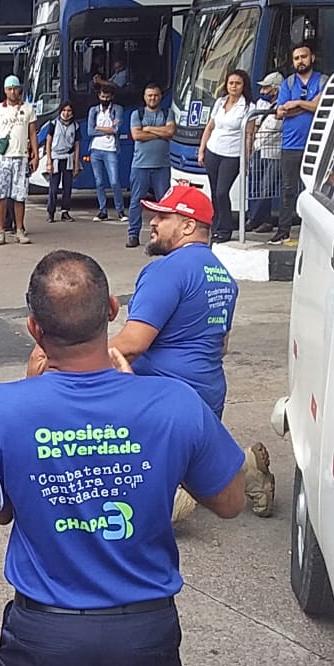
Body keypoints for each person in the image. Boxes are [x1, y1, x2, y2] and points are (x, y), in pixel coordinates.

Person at [0, 250, 247, 666]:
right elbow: (231, 502)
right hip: (145, 630)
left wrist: (32, 395)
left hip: (43, 630)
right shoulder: (176, 403)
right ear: (113, 309)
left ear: (35, 328)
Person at [107, 184, 275, 516]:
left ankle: (176, 492)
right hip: (207, 395)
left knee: (132, 505)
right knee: (194, 465)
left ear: (187, 226)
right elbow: (222, 345)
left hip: (163, 400)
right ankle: (246, 470)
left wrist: (75, 360)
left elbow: (132, 344)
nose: (152, 222)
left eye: (163, 216)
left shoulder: (165, 270)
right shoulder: (222, 276)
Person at [274, 43, 327, 244]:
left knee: (314, 190)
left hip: (316, 143)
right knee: (288, 189)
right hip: (290, 145)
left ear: (312, 57)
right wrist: (308, 105)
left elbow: (320, 106)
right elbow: (279, 113)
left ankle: (314, 233)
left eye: (303, 57)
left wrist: (296, 104)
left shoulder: (323, 80)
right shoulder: (287, 84)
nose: (300, 61)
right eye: (296, 58)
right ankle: (283, 230)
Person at [197, 70, 252, 243]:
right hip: (213, 150)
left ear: (243, 86)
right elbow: (210, 126)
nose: (233, 86)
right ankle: (217, 225)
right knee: (214, 191)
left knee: (222, 191)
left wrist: (246, 159)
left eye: (237, 83)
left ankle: (226, 228)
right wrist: (202, 149)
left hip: (232, 154)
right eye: (231, 83)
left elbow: (250, 135)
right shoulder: (220, 102)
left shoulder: (249, 107)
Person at [0, 75, 37, 246]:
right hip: (3, 158)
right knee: (1, 195)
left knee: (20, 196)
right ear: (5, 90)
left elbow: (32, 133)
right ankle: (1, 231)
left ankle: (20, 229)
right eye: (9, 89)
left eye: (15, 88)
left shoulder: (28, 109)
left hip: (21, 156)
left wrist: (35, 154)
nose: (12, 92)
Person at [127, 83, 176, 249]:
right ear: (144, 97)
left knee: (164, 203)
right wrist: (159, 132)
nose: (152, 98)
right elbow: (136, 135)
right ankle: (133, 234)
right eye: (149, 95)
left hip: (162, 165)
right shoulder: (137, 114)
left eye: (155, 95)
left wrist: (148, 129)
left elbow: (170, 133)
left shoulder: (168, 113)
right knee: (136, 201)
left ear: (160, 96)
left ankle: (163, 236)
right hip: (140, 165)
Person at [247, 73, 284, 233]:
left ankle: (260, 219)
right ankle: (255, 218)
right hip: (259, 147)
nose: (263, 91)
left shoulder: (283, 106)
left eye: (266, 87)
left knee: (267, 187)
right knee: (254, 185)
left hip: (274, 151)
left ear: (275, 89)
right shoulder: (261, 104)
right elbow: (254, 126)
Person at [88, 85, 126, 222]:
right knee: (99, 182)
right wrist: (107, 129)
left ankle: (120, 211)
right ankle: (102, 210)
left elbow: (116, 129)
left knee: (115, 181)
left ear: (112, 97)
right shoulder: (93, 110)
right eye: (103, 96)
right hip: (95, 150)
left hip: (111, 149)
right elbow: (90, 131)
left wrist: (99, 127)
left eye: (107, 97)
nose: (105, 99)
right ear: (99, 96)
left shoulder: (118, 109)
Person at [42, 101, 80, 224]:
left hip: (68, 157)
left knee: (67, 187)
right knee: (53, 187)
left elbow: (77, 144)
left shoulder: (75, 125)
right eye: (64, 110)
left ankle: (65, 212)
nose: (66, 113)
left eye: (69, 111)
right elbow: (48, 142)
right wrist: (48, 160)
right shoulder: (53, 124)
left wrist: (76, 163)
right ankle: (51, 212)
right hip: (55, 157)